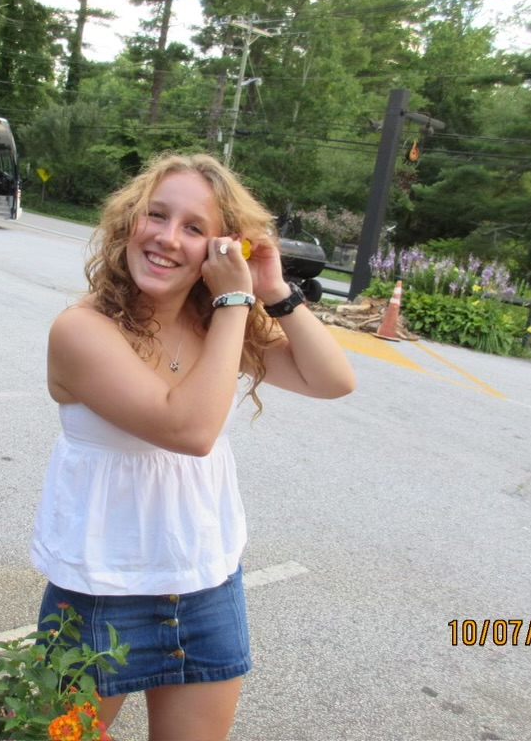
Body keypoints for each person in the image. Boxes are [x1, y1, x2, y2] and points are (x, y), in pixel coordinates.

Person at [31, 153, 355, 740]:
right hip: (101, 590)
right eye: (156, 215)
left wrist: (273, 291)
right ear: (129, 221)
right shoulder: (81, 329)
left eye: (194, 227)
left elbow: (332, 380)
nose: (167, 238)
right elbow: (190, 431)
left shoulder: (216, 325)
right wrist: (234, 303)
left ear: (222, 247)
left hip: (206, 581)